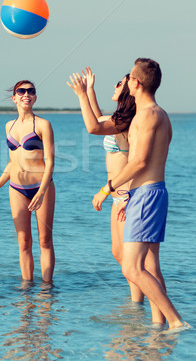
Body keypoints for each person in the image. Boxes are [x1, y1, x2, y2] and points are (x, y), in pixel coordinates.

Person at [87, 58, 187, 329]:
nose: (127, 80)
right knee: (149, 266)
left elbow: (139, 162)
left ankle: (176, 321)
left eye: (130, 77)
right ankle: (158, 327)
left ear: (136, 82)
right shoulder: (160, 114)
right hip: (146, 193)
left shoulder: (148, 115)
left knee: (132, 268)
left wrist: (107, 189)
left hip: (147, 194)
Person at [67, 67, 144, 303]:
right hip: (116, 196)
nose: (115, 86)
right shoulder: (118, 119)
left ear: (129, 91)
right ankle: (138, 303)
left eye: (118, 84)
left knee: (131, 261)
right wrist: (90, 90)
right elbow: (99, 119)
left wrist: (81, 95)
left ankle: (138, 303)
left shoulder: (126, 122)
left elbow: (93, 127)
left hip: (126, 195)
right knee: (118, 253)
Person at [0, 80, 55, 282]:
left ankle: (46, 290)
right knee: (23, 242)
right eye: (21, 91)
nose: (26, 94)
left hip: (40, 187)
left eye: (30, 91)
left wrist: (42, 192)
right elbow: (12, 163)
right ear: (14, 97)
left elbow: (50, 162)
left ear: (35, 97)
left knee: (44, 241)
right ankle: (27, 291)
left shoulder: (43, 125)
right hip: (16, 189)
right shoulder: (9, 126)